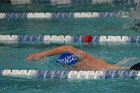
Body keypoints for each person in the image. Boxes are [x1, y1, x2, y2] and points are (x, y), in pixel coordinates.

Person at [26, 45, 140, 71]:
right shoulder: (84, 64)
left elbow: (68, 48)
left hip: (129, 69)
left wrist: (42, 54)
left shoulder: (84, 59)